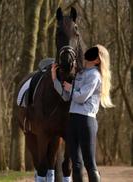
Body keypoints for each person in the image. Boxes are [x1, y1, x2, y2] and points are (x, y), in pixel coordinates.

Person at [51, 44, 114, 182]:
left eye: (94, 54)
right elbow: (66, 96)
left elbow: (81, 97)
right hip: (72, 119)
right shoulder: (80, 74)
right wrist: (55, 79)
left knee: (89, 163)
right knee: (76, 163)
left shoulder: (95, 76)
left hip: (86, 121)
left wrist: (70, 87)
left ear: (98, 60)